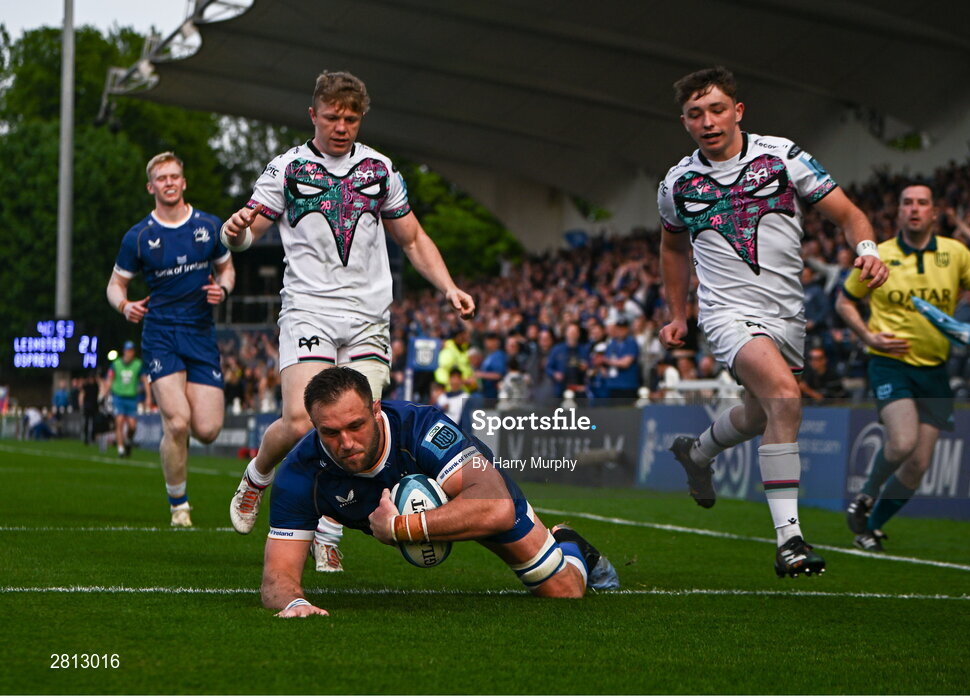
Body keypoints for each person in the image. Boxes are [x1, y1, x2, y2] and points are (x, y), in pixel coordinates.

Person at [224, 71, 474, 571]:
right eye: (333, 116)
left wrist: (447, 286)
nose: (342, 126)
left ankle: (329, 528)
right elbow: (248, 230)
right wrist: (234, 237)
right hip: (308, 307)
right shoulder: (288, 169)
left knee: (359, 428)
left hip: (367, 318)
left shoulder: (379, 170)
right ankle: (256, 477)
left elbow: (413, 239)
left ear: (362, 118)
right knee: (301, 423)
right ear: (313, 114)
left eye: (351, 118)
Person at [657, 66, 889, 577]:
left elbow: (849, 215)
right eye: (696, 114)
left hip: (787, 315)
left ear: (738, 111)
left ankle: (697, 453)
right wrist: (679, 313)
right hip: (726, 314)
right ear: (685, 123)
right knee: (785, 396)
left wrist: (868, 250)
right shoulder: (677, 183)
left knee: (763, 415)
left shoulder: (782, 157)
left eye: (717, 109)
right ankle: (791, 541)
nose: (708, 121)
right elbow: (672, 248)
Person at [260, 367, 619, 617]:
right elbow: (277, 577)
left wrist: (401, 528)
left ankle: (569, 542)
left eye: (356, 425)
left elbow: (495, 507)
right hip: (431, 515)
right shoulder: (300, 471)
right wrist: (293, 603)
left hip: (473, 496)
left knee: (564, 590)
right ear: (315, 426)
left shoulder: (422, 427)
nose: (346, 443)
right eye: (330, 432)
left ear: (375, 409)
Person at [836, 184, 970, 551]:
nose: (914, 209)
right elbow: (845, 302)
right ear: (898, 212)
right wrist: (867, 336)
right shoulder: (878, 254)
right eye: (907, 203)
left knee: (918, 464)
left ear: (934, 212)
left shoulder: (955, 253)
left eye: (922, 203)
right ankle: (865, 496)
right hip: (890, 363)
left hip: (935, 368)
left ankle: (869, 528)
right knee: (902, 442)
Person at [106, 151, 233, 527]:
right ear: (151, 187)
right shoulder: (140, 236)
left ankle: (180, 496)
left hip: (200, 335)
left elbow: (227, 269)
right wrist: (124, 306)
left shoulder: (210, 227)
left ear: (184, 182)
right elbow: (116, 284)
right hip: (160, 335)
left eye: (175, 176)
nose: (169, 182)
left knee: (207, 431)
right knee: (177, 423)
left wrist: (223, 290)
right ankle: (180, 507)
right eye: (162, 178)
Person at [103, 341, 151, 458]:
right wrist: (104, 394)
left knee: (132, 426)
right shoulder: (116, 364)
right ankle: (120, 449)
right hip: (118, 397)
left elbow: (145, 381)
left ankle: (128, 440)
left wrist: (148, 397)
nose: (129, 353)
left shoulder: (138, 365)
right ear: (124, 351)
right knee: (119, 422)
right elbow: (110, 380)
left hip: (131, 398)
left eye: (131, 351)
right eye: (128, 351)